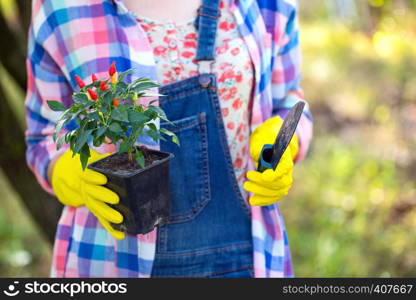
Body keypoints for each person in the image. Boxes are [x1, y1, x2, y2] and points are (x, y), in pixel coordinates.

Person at [25, 0, 313, 278]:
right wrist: (70, 175)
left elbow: (289, 99)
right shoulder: (61, 8)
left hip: (246, 254)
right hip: (113, 259)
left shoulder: (270, 5)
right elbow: (43, 138)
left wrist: (285, 140)